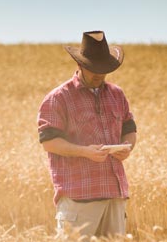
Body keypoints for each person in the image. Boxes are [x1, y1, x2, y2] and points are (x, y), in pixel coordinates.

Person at [36, 31, 138, 239]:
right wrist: (84, 152)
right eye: (93, 68)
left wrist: (127, 148)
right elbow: (49, 141)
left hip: (115, 195)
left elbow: (129, 128)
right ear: (80, 65)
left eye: (104, 69)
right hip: (78, 198)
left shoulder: (117, 94)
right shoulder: (58, 98)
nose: (99, 74)